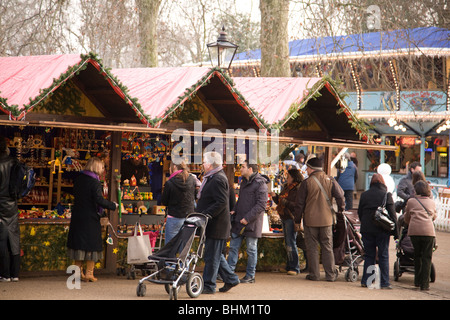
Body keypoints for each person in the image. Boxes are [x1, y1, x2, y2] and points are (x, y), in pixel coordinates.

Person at [67, 157, 118, 282]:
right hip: (90, 217)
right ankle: (89, 274)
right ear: (96, 167)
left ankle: (77, 273)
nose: (103, 170)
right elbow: (98, 200)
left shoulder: (79, 179)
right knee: (92, 245)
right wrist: (112, 205)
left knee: (79, 244)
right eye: (101, 167)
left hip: (78, 216)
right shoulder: (94, 182)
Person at [295, 157, 345, 282]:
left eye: (307, 167)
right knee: (327, 247)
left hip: (310, 220)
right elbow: (341, 196)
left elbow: (299, 204)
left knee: (312, 248)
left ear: (312, 169)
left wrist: (297, 220)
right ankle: (330, 275)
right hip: (327, 220)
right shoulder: (331, 180)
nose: (306, 170)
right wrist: (340, 210)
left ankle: (314, 275)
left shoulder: (306, 183)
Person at [196, 151, 239, 294]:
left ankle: (209, 285)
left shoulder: (218, 179)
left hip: (217, 224)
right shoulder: (214, 177)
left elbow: (221, 202)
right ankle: (231, 279)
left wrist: (205, 214)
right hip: (214, 224)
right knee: (215, 255)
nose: (202, 164)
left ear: (209, 164)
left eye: (203, 161)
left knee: (212, 257)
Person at [228, 160, 268, 283]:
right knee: (234, 247)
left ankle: (250, 276)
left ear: (250, 169)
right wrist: (234, 210)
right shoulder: (244, 181)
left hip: (251, 222)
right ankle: (228, 273)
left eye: (243, 167)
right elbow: (240, 200)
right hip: (239, 220)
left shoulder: (260, 184)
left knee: (251, 249)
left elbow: (261, 205)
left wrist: (247, 218)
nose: (241, 169)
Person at [357, 173, 398, 289]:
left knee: (369, 255)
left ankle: (367, 281)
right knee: (383, 255)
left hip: (367, 230)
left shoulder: (364, 195)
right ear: (382, 182)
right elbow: (393, 215)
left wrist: (365, 223)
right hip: (382, 230)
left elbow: (360, 212)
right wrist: (396, 234)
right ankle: (384, 282)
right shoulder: (386, 195)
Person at [404, 180, 437, 291]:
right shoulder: (431, 202)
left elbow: (406, 217)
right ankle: (425, 284)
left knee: (417, 256)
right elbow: (434, 216)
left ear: (416, 190)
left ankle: (417, 281)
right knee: (427, 258)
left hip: (414, 232)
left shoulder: (411, 201)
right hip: (428, 232)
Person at [271, 169, 304, 275]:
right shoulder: (286, 187)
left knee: (291, 242)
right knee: (288, 242)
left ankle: (295, 267)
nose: (287, 178)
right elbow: (280, 201)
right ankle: (289, 265)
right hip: (284, 216)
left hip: (291, 218)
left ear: (294, 177)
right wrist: (275, 197)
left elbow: (297, 205)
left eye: (288, 176)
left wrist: (285, 202)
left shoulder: (298, 188)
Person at [161, 161, 197, 243]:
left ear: (174, 167)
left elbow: (164, 201)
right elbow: (194, 196)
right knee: (184, 249)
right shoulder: (192, 180)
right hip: (189, 216)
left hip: (174, 217)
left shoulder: (170, 183)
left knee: (170, 247)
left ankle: (171, 256)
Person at [0, 136, 20, 282]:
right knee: (14, 240)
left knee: (2, 241)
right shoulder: (15, 162)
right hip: (13, 205)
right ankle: (15, 274)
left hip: (0, 205)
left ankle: (4, 274)